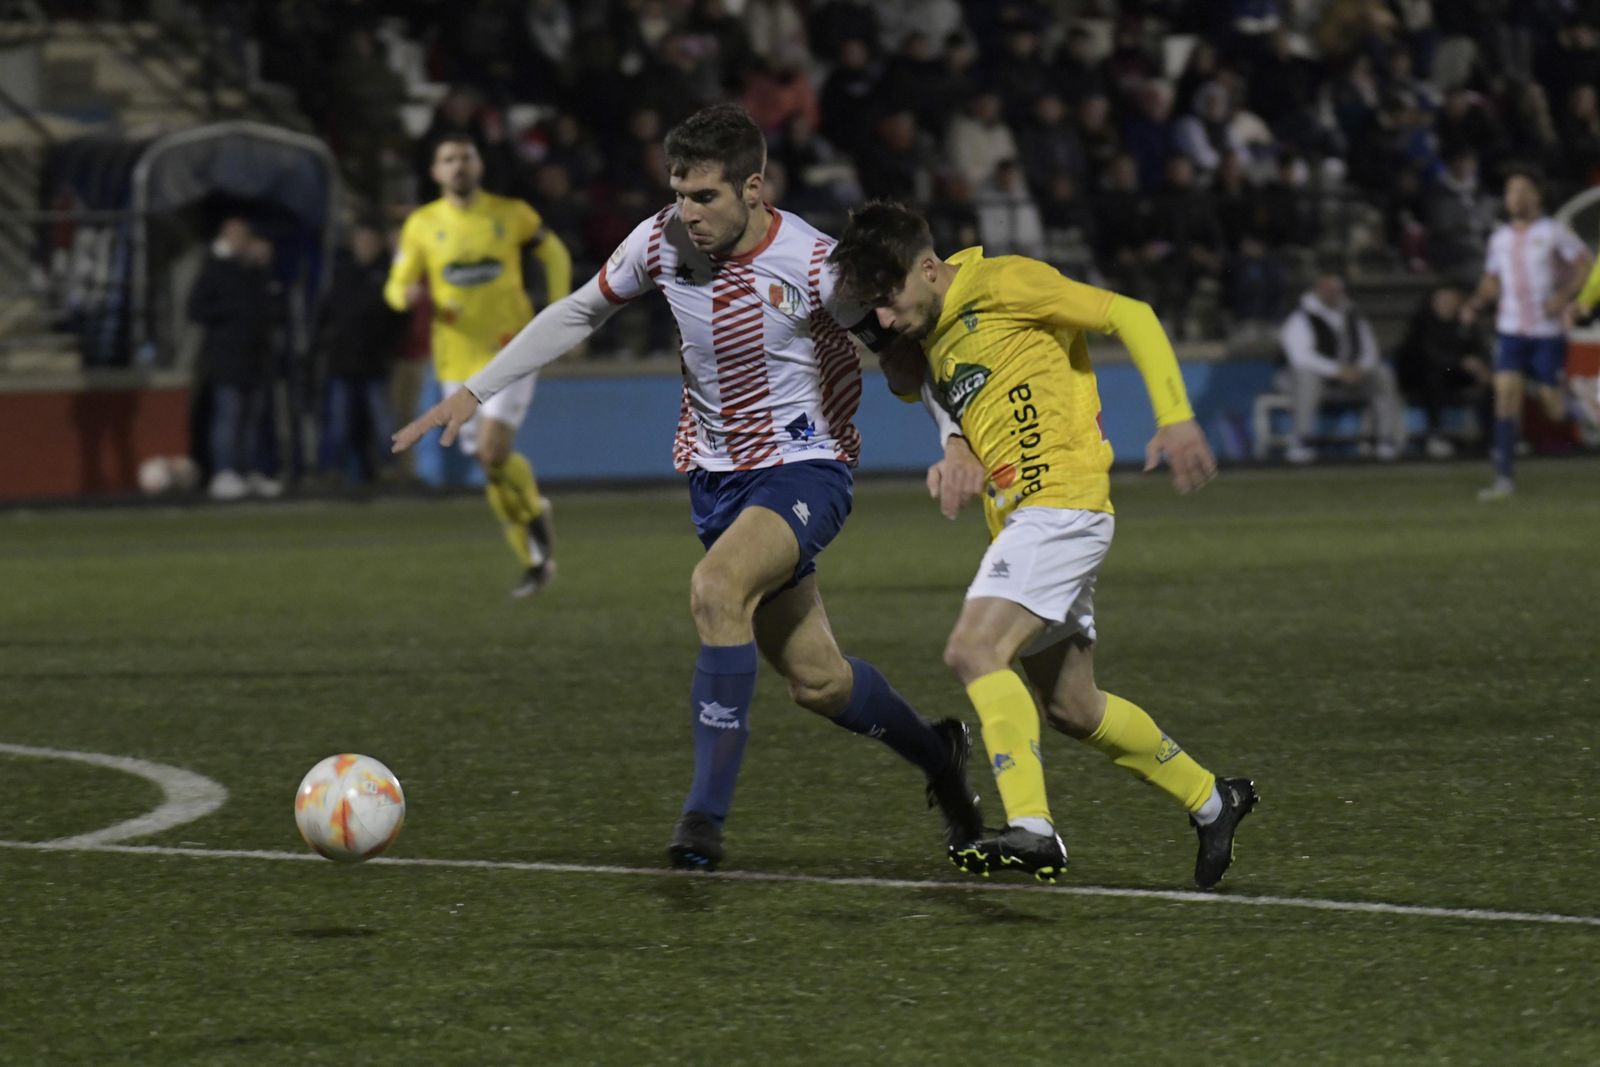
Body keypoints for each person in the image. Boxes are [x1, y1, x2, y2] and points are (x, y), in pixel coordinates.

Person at [392, 104, 982, 872]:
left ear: (755, 189)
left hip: (806, 468)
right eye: (678, 192)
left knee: (715, 588)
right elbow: (581, 309)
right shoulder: (659, 240)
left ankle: (702, 820)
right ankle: (938, 755)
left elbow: (910, 351)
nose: (688, 212)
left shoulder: (817, 265)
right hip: (716, 480)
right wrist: (474, 389)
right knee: (817, 680)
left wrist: (954, 436)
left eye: (705, 196)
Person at [827, 200, 1257, 889]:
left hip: (1062, 499)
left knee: (973, 649)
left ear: (929, 268)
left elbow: (1132, 314)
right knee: (1071, 705)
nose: (881, 321)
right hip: (1025, 516)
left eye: (888, 300)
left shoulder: (1004, 283)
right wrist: (955, 445)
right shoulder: (931, 332)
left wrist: (1175, 417)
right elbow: (923, 385)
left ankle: (1033, 826)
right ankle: (1214, 800)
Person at [385, 133, 573, 596]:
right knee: (490, 467)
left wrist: (563, 309)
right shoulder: (422, 225)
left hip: (511, 350)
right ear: (435, 173)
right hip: (456, 360)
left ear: (479, 166)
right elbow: (395, 283)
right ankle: (534, 555)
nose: (458, 166)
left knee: (491, 451)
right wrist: (403, 295)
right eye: (448, 159)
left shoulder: (511, 214)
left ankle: (533, 513)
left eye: (465, 157)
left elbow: (553, 252)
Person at [1461, 172, 1593, 500]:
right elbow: (1492, 279)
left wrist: (1563, 298)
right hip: (1511, 329)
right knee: (1505, 396)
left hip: (1546, 331)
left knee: (1552, 407)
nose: (1515, 198)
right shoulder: (1500, 238)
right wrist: (1476, 303)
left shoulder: (1554, 232)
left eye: (1522, 191)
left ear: (1537, 196)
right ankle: (1503, 477)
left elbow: (1586, 264)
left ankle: (1583, 410)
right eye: (1510, 192)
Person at [187, 217, 282, 501]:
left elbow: (272, 308)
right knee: (228, 417)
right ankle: (224, 472)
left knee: (252, 420)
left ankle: (247, 469)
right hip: (225, 358)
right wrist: (232, 313)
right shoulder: (215, 270)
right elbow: (194, 310)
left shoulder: (255, 272)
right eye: (234, 236)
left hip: (255, 358)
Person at [1278, 270, 1407, 464]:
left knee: (1382, 372)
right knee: (1306, 376)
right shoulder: (1301, 317)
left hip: (1350, 378)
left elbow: (1370, 350)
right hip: (1306, 379)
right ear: (1318, 289)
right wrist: (1338, 370)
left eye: (1337, 290)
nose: (1334, 294)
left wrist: (1359, 369)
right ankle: (1301, 440)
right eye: (1329, 290)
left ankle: (1386, 439)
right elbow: (1301, 357)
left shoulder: (1352, 315)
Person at [316, 221, 408, 485]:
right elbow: (326, 313)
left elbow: (398, 317)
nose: (364, 246)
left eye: (369, 241)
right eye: (360, 240)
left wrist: (388, 348)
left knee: (382, 421)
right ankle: (332, 470)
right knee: (339, 421)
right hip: (342, 360)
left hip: (374, 360)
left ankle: (389, 469)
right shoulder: (341, 273)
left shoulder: (388, 274)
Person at [1393, 285, 1493, 458]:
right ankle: (1435, 434)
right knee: (1433, 379)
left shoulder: (1463, 323)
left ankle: (1492, 437)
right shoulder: (1423, 322)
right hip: (1425, 374)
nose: (1447, 305)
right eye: (1443, 301)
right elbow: (1429, 355)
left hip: (1456, 373)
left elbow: (1479, 349)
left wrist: (1480, 366)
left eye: (1452, 301)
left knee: (1490, 382)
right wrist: (1460, 362)